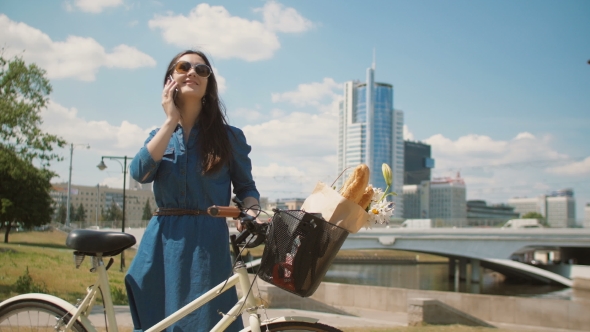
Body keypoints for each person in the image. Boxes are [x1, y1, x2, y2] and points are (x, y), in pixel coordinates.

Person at [125, 50, 260, 332]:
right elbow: (140, 173)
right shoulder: (159, 135)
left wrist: (252, 211)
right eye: (183, 66)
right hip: (161, 243)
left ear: (209, 85)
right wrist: (170, 120)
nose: (193, 73)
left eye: (202, 70)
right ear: (170, 80)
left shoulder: (229, 137)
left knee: (208, 323)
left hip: (206, 246)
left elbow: (247, 188)